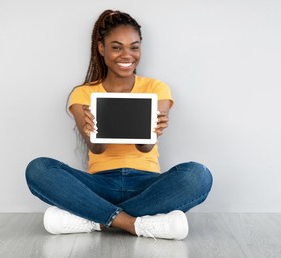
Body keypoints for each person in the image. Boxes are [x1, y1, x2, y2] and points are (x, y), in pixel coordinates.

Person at [25, 9, 213, 240]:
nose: (127, 55)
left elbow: (145, 148)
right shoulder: (83, 93)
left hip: (147, 185)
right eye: (116, 47)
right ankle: (136, 224)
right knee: (38, 169)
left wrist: (151, 134)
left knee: (198, 175)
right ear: (101, 48)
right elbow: (96, 149)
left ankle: (97, 220)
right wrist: (92, 132)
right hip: (99, 185)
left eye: (134, 47)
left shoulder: (157, 88)